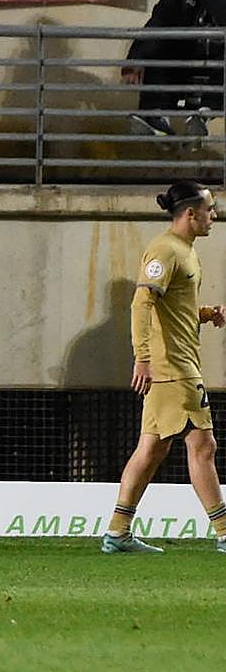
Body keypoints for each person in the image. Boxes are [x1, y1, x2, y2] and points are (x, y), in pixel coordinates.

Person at [101, 181, 226, 554]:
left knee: (152, 448)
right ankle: (224, 531)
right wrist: (143, 357)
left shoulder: (183, 251)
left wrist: (204, 313)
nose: (214, 215)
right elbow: (142, 303)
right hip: (174, 368)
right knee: (202, 445)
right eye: (210, 209)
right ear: (190, 214)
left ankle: (118, 531)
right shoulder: (165, 250)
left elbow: (172, 304)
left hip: (175, 363)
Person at [123, 0, 226, 138]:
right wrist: (136, 57)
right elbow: (162, 17)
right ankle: (155, 116)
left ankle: (202, 113)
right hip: (188, 56)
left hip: (220, 60)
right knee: (161, 49)